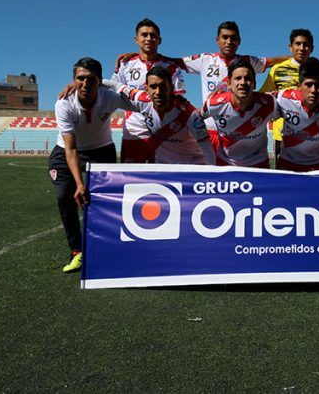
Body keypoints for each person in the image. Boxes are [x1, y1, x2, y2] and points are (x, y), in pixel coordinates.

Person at [50, 57, 137, 272]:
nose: (85, 84)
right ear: (73, 80)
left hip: (101, 150)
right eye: (80, 79)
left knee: (104, 201)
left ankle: (105, 249)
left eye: (91, 79)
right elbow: (71, 149)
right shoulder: (64, 102)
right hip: (66, 152)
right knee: (65, 197)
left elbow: (140, 103)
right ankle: (77, 251)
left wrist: (109, 83)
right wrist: (79, 183)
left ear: (100, 81)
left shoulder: (109, 97)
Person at [179, 21, 288, 147]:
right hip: (211, 132)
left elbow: (271, 61)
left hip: (241, 131)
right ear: (217, 40)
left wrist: (296, 58)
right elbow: (174, 63)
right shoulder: (205, 59)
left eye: (233, 38)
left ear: (239, 41)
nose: (229, 42)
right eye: (225, 37)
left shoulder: (248, 61)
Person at [112, 18, 187, 163]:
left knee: (161, 182)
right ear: (136, 39)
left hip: (162, 134)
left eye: (153, 36)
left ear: (160, 40)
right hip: (134, 133)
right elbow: (114, 91)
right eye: (144, 35)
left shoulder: (171, 67)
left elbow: (179, 100)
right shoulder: (125, 64)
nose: (149, 39)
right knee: (131, 181)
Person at [108, 67, 215, 165]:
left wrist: (210, 176)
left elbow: (208, 149)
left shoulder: (190, 114)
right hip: (162, 168)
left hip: (189, 166)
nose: (158, 92)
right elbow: (116, 86)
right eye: (153, 87)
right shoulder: (141, 99)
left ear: (171, 88)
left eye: (163, 86)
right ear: (146, 89)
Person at [200, 60, 278, 168]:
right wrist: (203, 144)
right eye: (238, 78)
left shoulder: (270, 103)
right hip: (225, 163)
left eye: (248, 79)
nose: (243, 83)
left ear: (254, 84)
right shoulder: (214, 104)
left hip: (258, 163)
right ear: (229, 84)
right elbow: (195, 118)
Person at [275, 58, 319, 172]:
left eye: (318, 85)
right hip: (288, 163)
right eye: (308, 85)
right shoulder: (283, 98)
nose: (313, 90)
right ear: (298, 86)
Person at [259, 28, 315, 161]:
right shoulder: (278, 69)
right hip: (282, 134)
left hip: (312, 133)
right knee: (284, 179)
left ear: (311, 48)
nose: (302, 48)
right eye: (298, 44)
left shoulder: (317, 69)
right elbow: (263, 96)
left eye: (306, 44)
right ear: (290, 47)